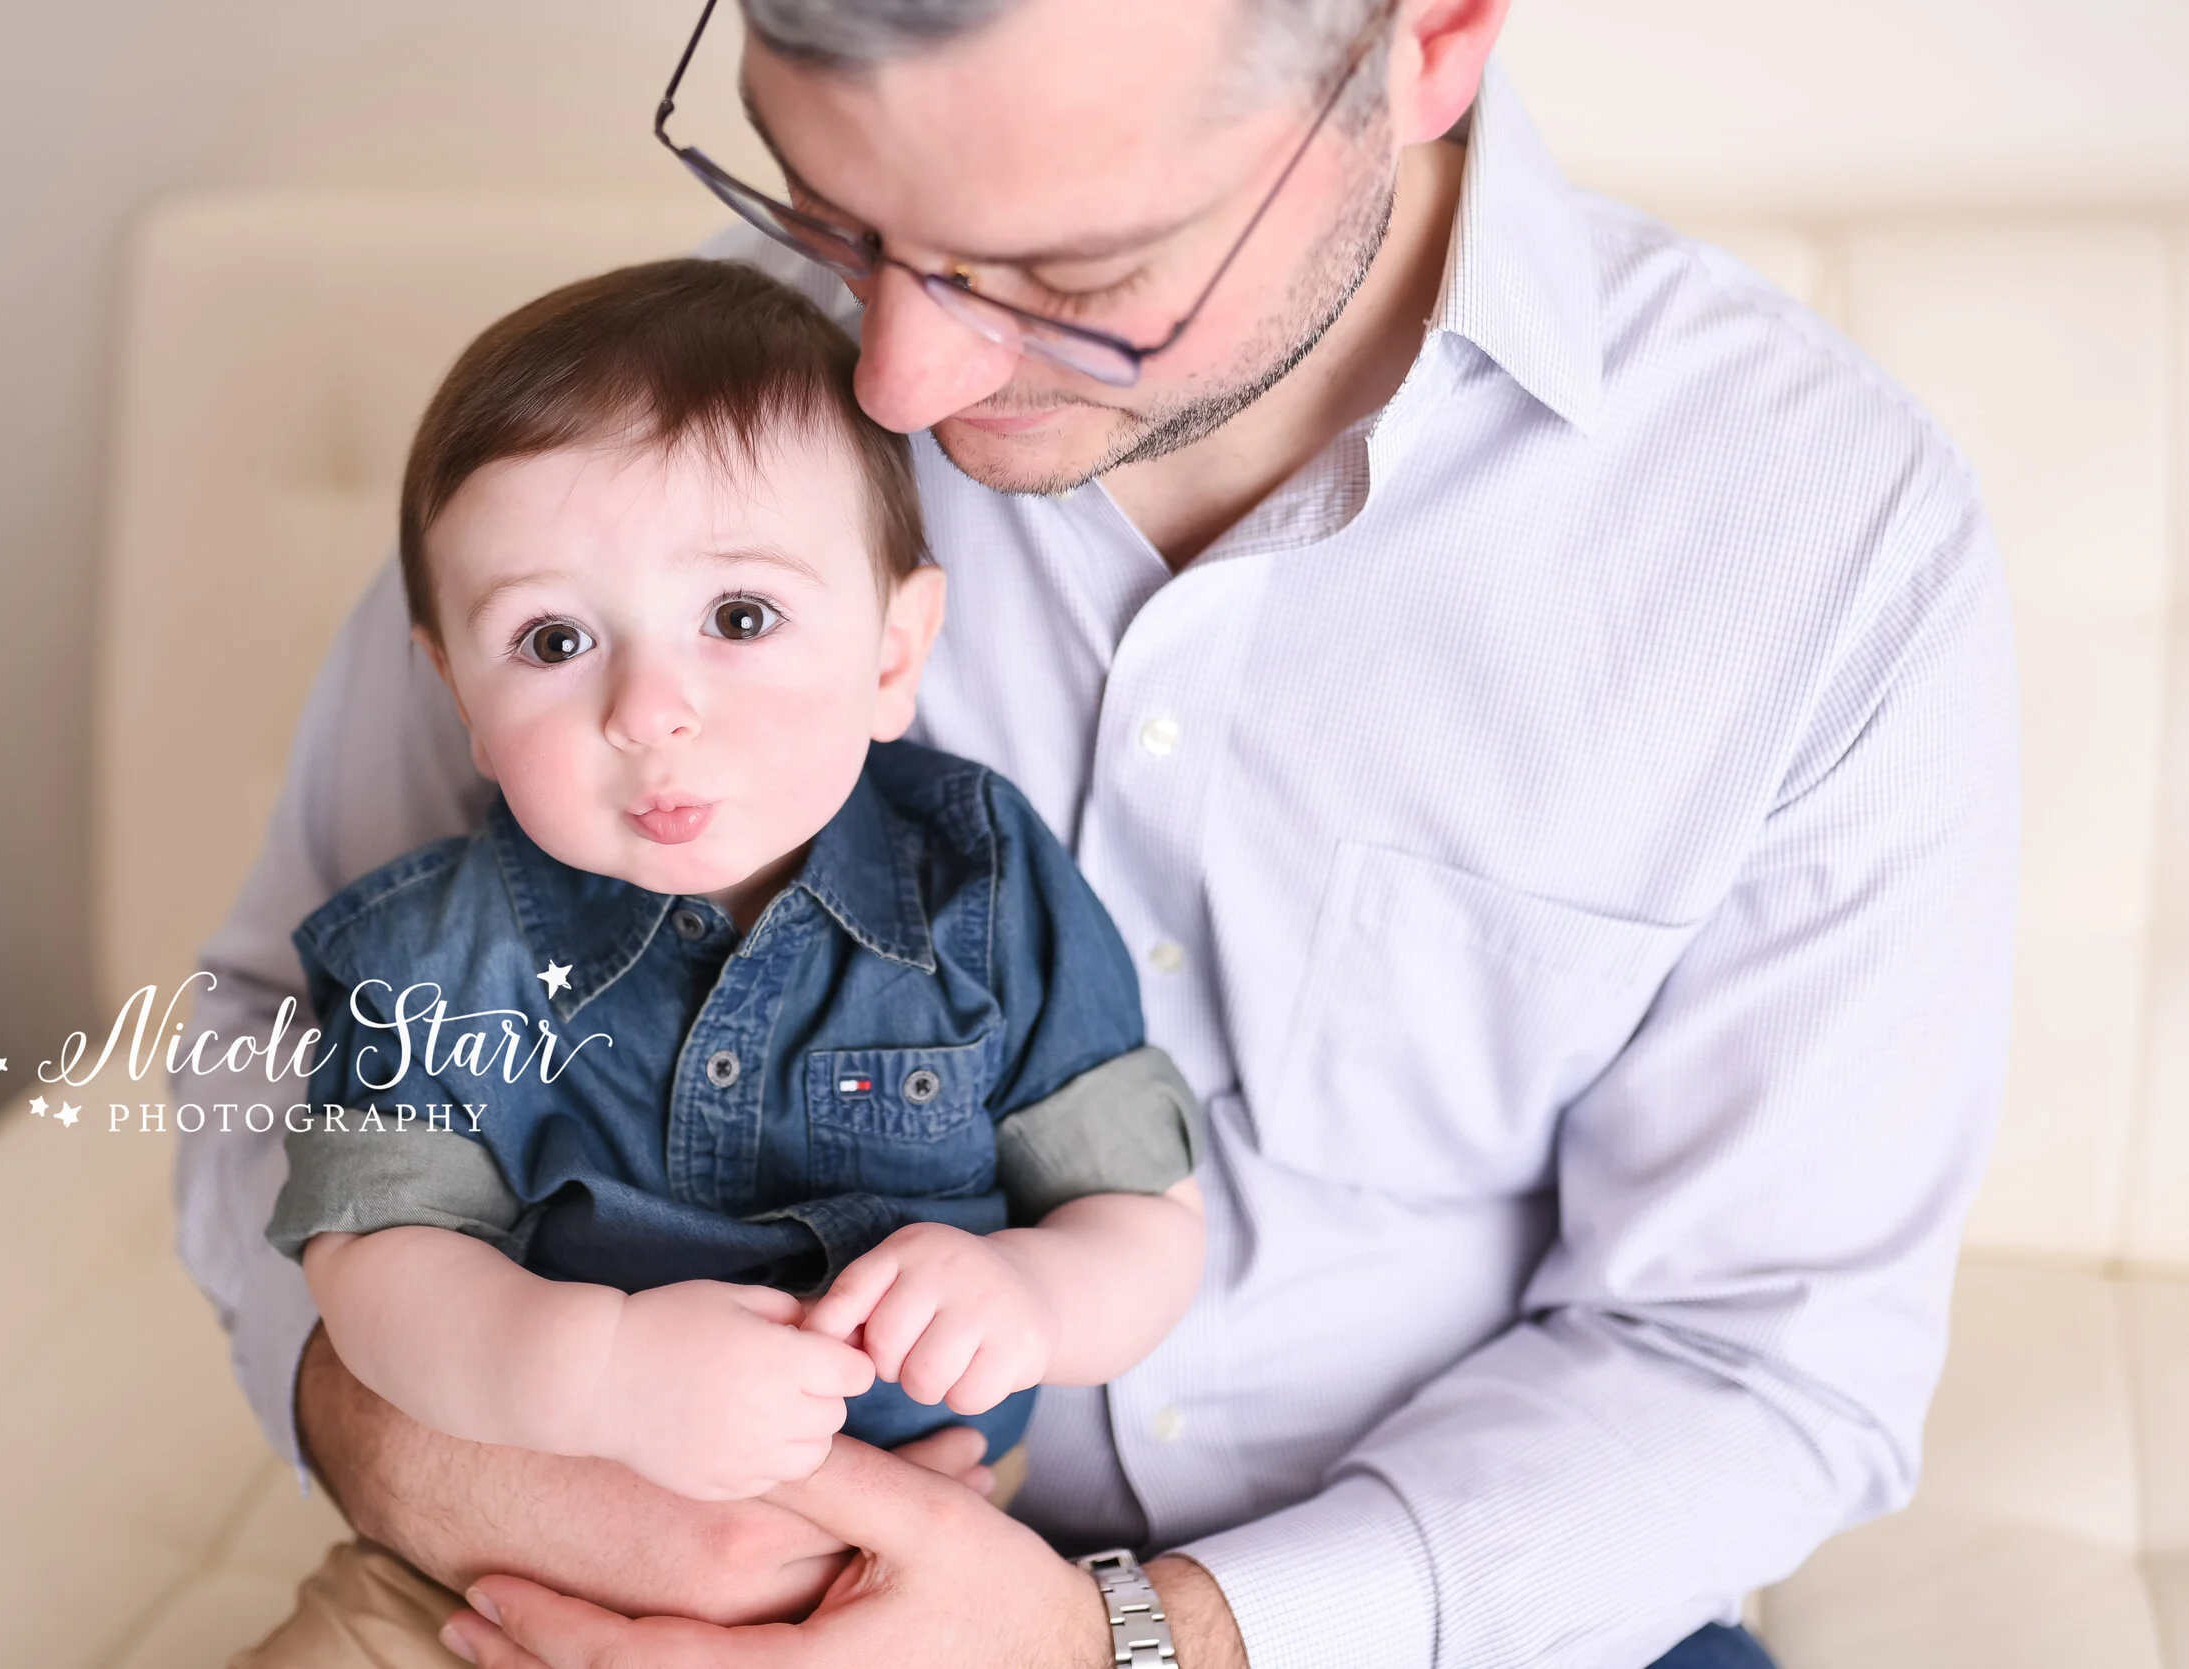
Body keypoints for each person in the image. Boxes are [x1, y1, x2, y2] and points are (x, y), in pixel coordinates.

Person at [175, 0, 2021, 1663]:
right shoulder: (653, 451)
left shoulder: (1814, 540)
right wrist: (454, 1442)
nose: (894, 376)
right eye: (833, 208)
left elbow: (1754, 1357)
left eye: (1066, 270)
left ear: (1426, 40)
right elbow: (281, 1036)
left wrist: (1130, 1642)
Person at [263, 256, 1206, 1516]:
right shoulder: (437, 956)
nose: (649, 711)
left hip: (936, 1546)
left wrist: (1033, 1292)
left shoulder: (977, 884)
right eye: (553, 641)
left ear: (892, 653)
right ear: (463, 704)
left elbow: (1142, 1213)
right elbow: (373, 1263)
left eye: (741, 616)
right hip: (525, 1526)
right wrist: (598, 1373)